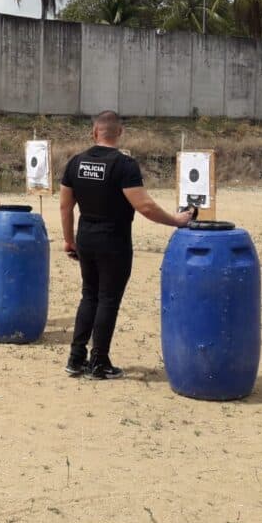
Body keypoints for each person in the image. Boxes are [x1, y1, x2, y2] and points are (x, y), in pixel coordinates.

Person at [60, 111, 191, 379]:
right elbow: (145, 206)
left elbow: (65, 205)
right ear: (120, 133)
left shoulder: (76, 162)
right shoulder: (124, 165)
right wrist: (176, 221)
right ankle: (99, 362)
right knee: (108, 299)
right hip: (113, 240)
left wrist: (69, 240)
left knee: (89, 296)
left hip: (86, 237)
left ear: (94, 132)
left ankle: (76, 358)